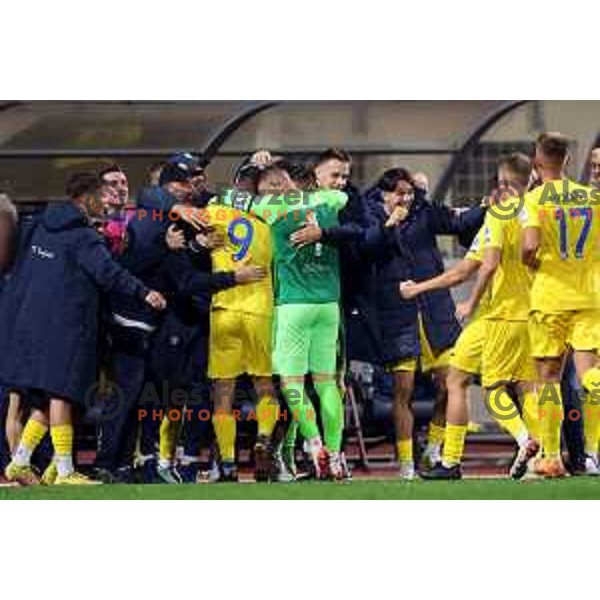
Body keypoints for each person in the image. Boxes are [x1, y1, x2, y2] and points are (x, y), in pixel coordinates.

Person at [0, 172, 167, 485]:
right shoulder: (84, 236)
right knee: (63, 394)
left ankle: (21, 462)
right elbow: (109, 273)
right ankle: (64, 471)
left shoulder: (37, 225)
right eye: (101, 196)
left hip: (30, 325)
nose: (107, 202)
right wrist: (145, 292)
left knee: (42, 400)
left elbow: (19, 271)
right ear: (85, 198)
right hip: (67, 325)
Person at [411, 154, 541, 479]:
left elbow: (480, 267)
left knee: (492, 390)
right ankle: (541, 460)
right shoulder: (539, 212)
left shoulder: (500, 212)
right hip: (533, 315)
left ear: (503, 182)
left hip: (500, 316)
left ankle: (523, 441)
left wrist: (468, 302)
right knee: (522, 387)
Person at [362, 168, 485, 479]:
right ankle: (405, 463)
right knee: (403, 392)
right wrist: (390, 225)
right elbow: (368, 247)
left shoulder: (424, 213)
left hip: (436, 313)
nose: (406, 198)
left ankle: (433, 449)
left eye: (410, 192)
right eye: (399, 193)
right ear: (385, 194)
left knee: (451, 384)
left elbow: (459, 221)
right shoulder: (371, 216)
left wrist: (486, 207)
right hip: (396, 315)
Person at [521, 132, 600, 477]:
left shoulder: (535, 199)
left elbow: (529, 247)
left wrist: (534, 263)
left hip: (550, 296)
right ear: (568, 160)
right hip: (589, 295)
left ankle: (551, 456)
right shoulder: (592, 197)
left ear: (538, 160)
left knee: (548, 379)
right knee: (591, 375)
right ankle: (595, 455)